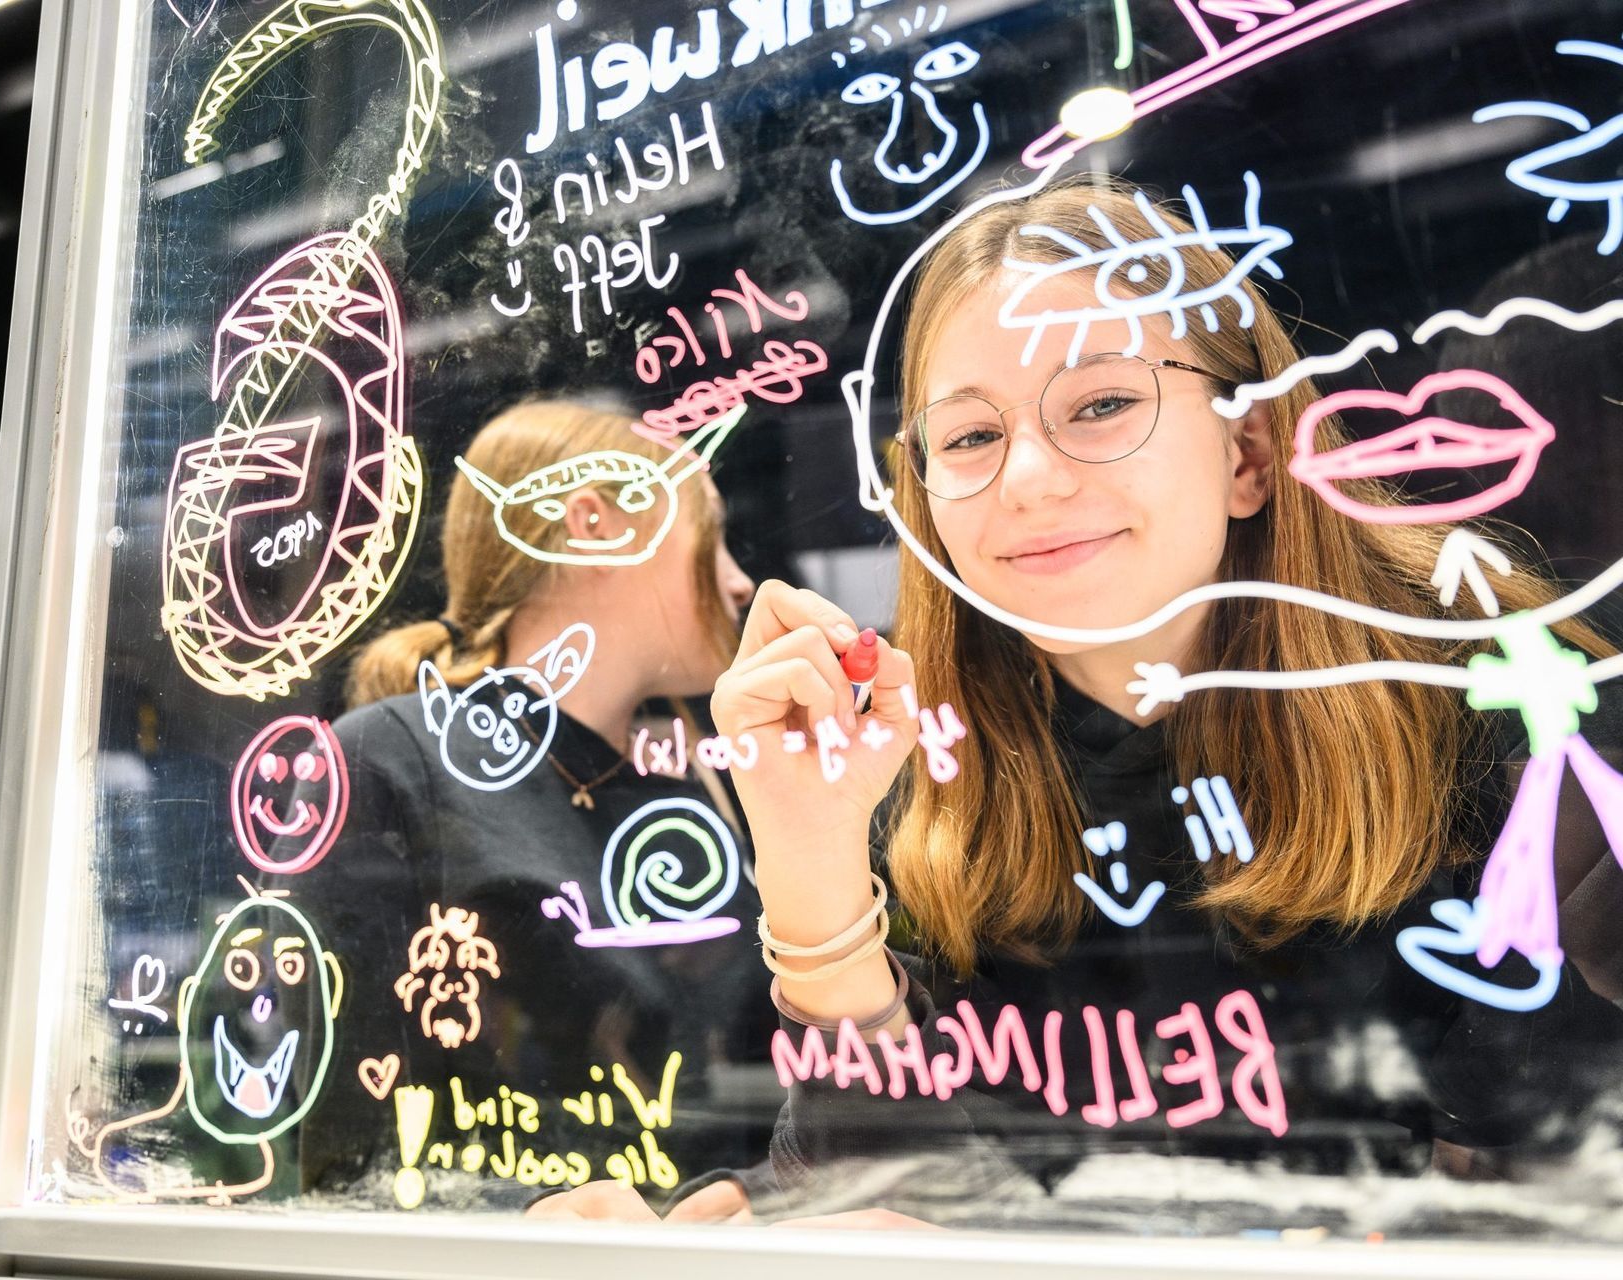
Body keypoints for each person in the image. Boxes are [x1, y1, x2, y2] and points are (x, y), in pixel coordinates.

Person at [553, 175, 1623, 1227]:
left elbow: (1557, 1196)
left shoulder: (1497, 706)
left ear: (1248, 452)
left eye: (1103, 404)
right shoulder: (903, 767)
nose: (1026, 478)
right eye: (969, 437)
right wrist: (808, 862)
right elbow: (875, 1200)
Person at [275, 399, 773, 1215]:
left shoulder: (702, 780)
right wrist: (519, 1226)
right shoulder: (389, 760)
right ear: (594, 522)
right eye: (709, 534)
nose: (739, 580)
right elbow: (347, 1143)